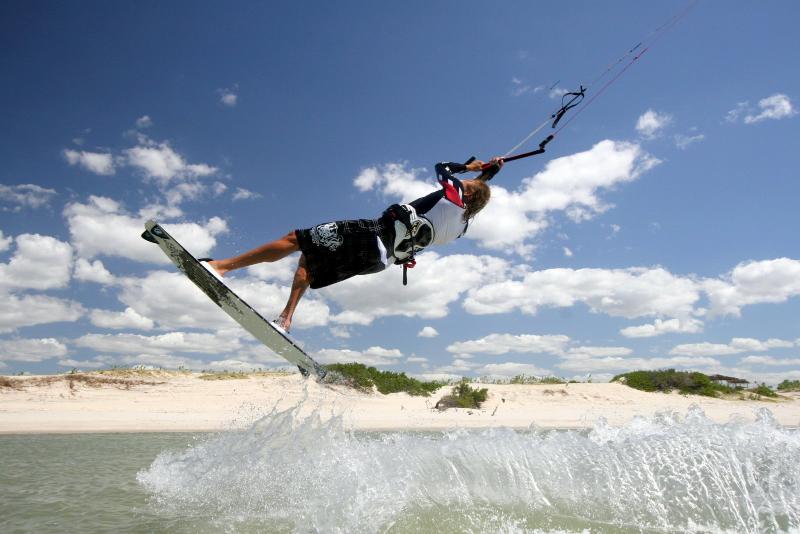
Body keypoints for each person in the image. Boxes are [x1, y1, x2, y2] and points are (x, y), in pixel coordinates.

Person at [204, 157, 503, 332]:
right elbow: (476, 191)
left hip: (371, 235)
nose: (461, 185)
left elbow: (442, 168)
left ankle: (221, 267)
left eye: (466, 186)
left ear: (466, 193)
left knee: (296, 239)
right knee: (309, 259)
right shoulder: (460, 228)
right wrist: (488, 173)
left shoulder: (454, 197)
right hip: (379, 261)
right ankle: (285, 320)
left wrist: (467, 167)